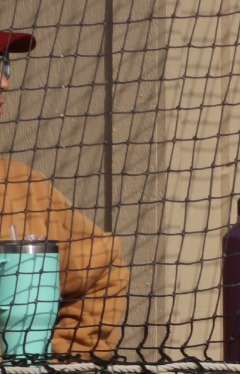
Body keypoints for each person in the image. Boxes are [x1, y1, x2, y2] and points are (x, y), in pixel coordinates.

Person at [0, 30, 129, 357]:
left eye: (5, 66)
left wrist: (62, 368)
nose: (5, 83)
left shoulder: (21, 186)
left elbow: (104, 264)